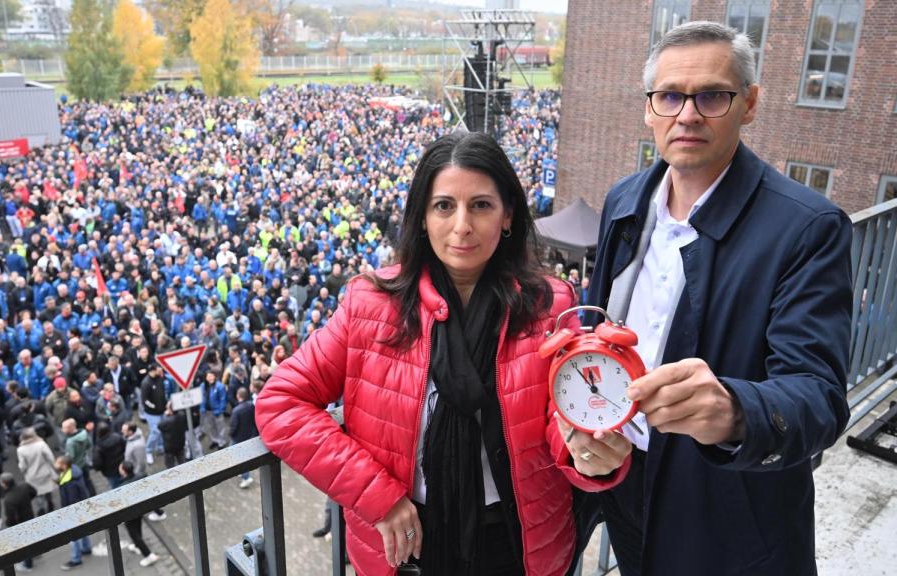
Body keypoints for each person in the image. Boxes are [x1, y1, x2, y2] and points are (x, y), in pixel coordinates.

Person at [256, 132, 632, 575]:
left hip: (519, 543)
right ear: (421, 217)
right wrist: (377, 496)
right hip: (405, 539)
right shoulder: (371, 306)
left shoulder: (550, 304)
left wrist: (587, 452)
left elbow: (560, 419)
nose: (462, 227)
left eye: (481, 205)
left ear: (507, 215)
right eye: (444, 206)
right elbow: (281, 404)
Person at [579, 21, 853, 576]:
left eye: (712, 96)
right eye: (670, 96)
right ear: (649, 109)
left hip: (728, 517)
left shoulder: (808, 228)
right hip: (627, 482)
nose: (687, 113)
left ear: (749, 104)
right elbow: (596, 329)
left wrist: (732, 411)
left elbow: (820, 400)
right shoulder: (623, 200)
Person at [116, 461, 162, 567]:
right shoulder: (141, 476)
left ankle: (149, 555)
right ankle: (137, 545)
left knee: (134, 534)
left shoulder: (122, 486)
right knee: (138, 527)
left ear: (123, 472)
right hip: (140, 508)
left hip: (130, 513)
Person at [54, 455, 92, 570]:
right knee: (83, 527)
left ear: (64, 466)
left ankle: (76, 559)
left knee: (73, 535)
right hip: (81, 508)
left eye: (57, 462)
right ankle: (86, 548)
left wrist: (66, 514)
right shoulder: (73, 472)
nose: (55, 464)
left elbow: (71, 500)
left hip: (73, 511)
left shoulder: (69, 482)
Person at [0, 472, 37, 572]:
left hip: (20, 523)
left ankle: (28, 565)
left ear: (4, 484)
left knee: (24, 544)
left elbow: (11, 518)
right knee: (32, 537)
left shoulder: (8, 499)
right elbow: (34, 492)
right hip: (29, 515)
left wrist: (10, 525)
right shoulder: (24, 485)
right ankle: (36, 552)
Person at [16, 427, 58, 516]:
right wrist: (54, 467)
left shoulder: (21, 450)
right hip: (45, 472)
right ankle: (50, 503)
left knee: (38, 494)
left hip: (32, 476)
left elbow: (23, 466)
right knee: (48, 489)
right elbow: (50, 457)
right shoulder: (41, 444)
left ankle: (41, 509)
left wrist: (23, 471)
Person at [229, 387, 258, 489]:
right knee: (243, 455)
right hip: (248, 435)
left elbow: (233, 426)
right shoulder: (251, 405)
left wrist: (231, 434)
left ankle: (246, 477)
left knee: (238, 456)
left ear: (238, 396)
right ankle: (242, 472)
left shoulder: (236, 410)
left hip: (238, 438)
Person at [62, 419, 96, 497]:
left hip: (77, 466)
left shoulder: (70, 442)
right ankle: (93, 495)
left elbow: (71, 457)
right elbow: (88, 445)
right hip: (84, 462)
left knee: (81, 485)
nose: (62, 430)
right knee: (88, 481)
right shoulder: (84, 433)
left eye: (64, 428)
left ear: (70, 428)